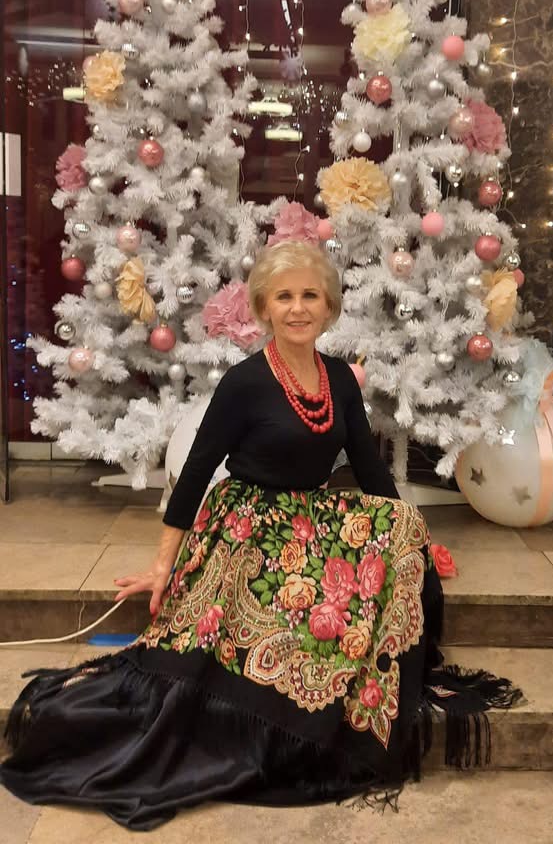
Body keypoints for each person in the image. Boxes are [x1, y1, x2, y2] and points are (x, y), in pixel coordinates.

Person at [1, 241, 521, 831]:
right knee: (291, 616)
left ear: (328, 307)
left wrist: (412, 542)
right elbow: (195, 472)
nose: (297, 308)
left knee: (404, 526)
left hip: (311, 516)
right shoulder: (244, 382)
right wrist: (164, 565)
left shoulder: (339, 380)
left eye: (310, 296)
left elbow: (369, 469)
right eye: (284, 297)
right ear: (264, 308)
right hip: (247, 524)